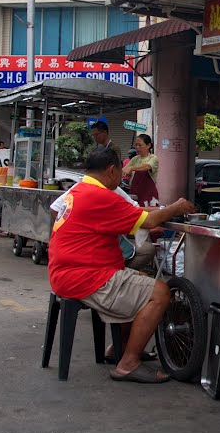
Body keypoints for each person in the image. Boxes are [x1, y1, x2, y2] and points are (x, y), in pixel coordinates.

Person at [47, 147, 195, 383]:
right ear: (111, 170)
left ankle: (119, 348)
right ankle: (128, 363)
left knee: (136, 279)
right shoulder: (100, 196)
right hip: (85, 276)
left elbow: (135, 213)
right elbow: (149, 221)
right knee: (160, 293)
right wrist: (176, 207)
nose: (123, 178)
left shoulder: (79, 191)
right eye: (121, 173)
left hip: (68, 272)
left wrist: (160, 209)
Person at [122, 134, 159, 207]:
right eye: (136, 145)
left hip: (149, 196)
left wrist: (132, 168)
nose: (137, 148)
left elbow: (147, 166)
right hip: (135, 195)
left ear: (148, 145)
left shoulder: (153, 158)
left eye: (140, 145)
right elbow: (124, 170)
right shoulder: (135, 159)